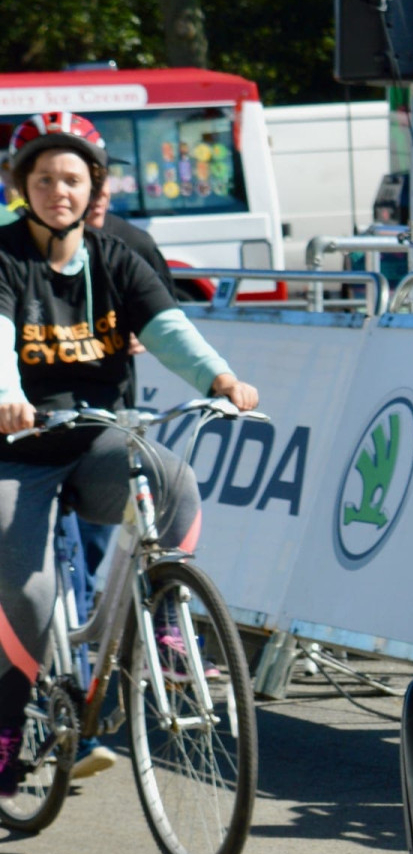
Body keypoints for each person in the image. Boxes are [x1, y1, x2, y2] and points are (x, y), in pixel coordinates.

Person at [0, 118, 258, 795]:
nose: (60, 190)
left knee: (171, 478)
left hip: (98, 437)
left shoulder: (116, 256)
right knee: (27, 593)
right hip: (17, 448)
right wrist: (7, 394)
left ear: (93, 190)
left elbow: (166, 326)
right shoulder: (3, 256)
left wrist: (220, 379)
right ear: (22, 186)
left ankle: (165, 622)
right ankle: (5, 726)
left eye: (73, 179)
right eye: (45, 178)